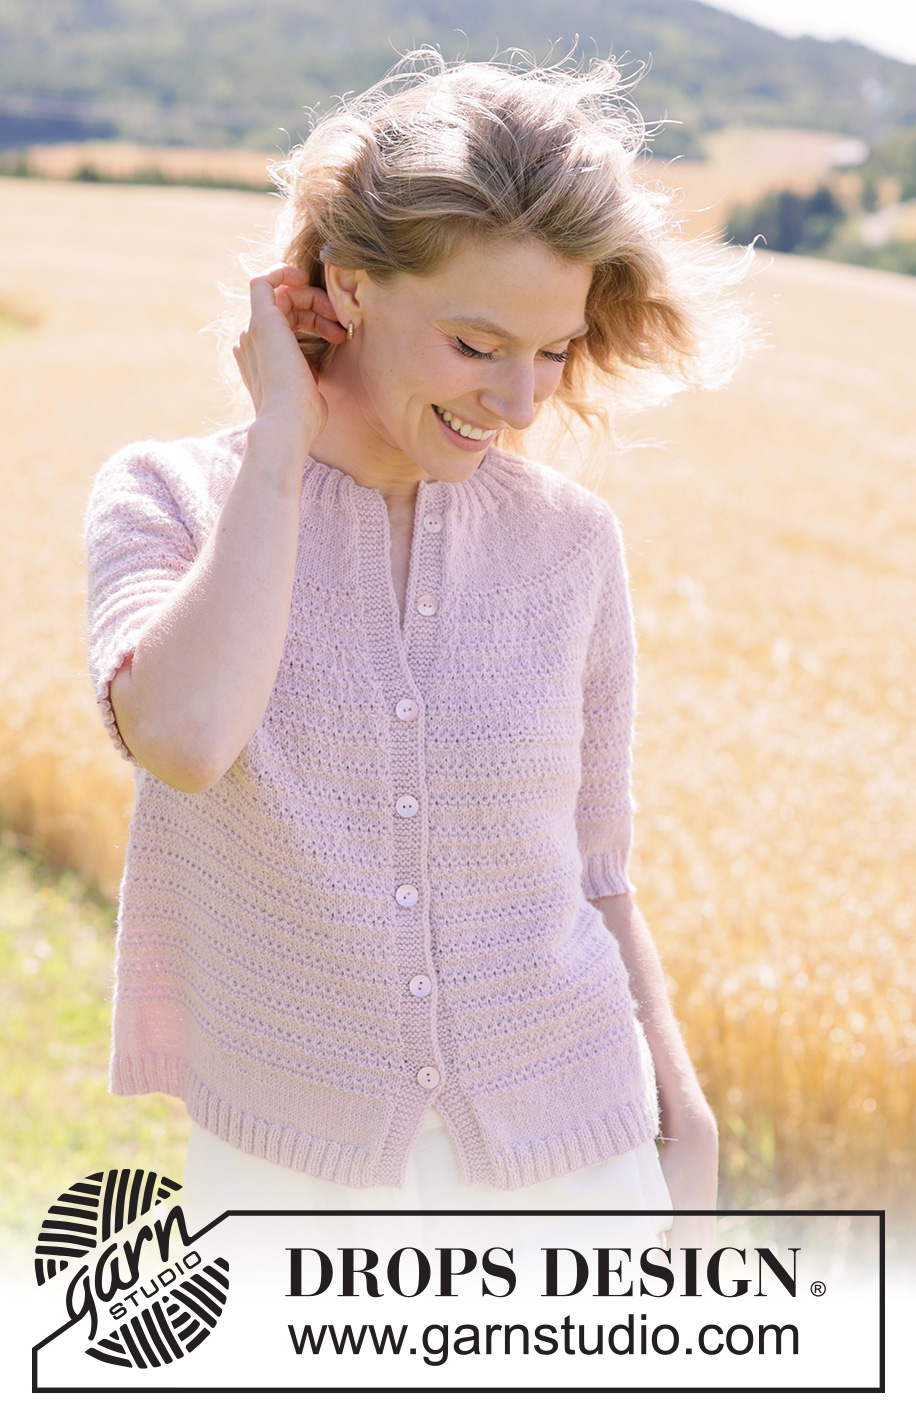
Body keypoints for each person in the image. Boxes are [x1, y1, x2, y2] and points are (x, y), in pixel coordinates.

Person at [84, 50, 748, 1256]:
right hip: (291, 1178)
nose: (521, 399)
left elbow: (596, 869)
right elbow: (182, 739)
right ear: (344, 285)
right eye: (477, 343)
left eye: (552, 349)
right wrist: (284, 438)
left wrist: (680, 1116)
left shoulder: (569, 545)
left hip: (581, 1152)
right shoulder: (170, 499)